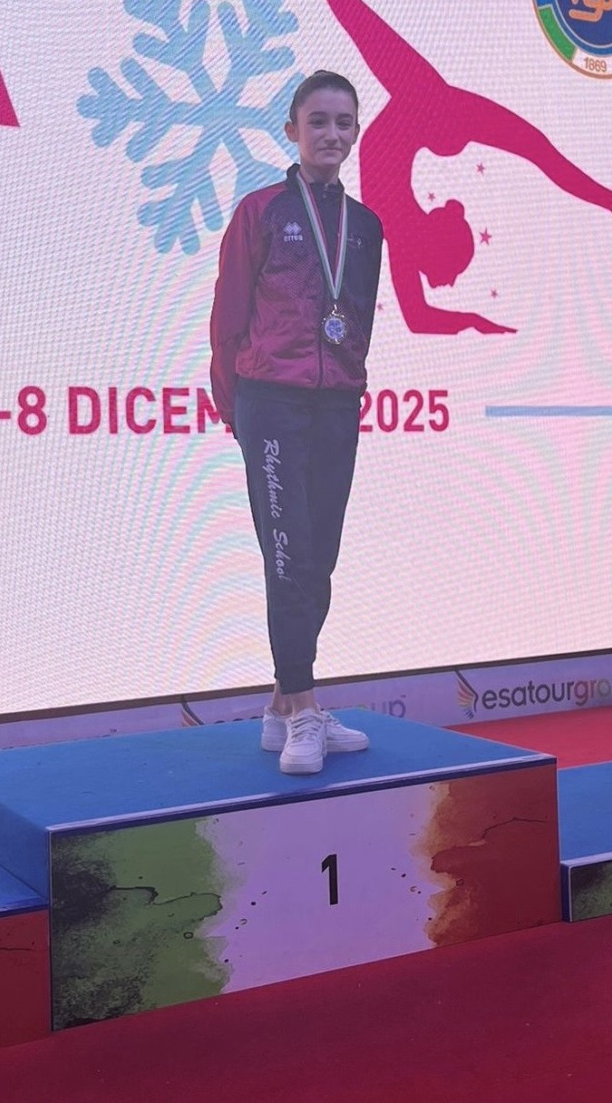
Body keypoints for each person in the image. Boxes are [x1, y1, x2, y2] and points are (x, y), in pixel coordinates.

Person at [208, 0, 612, 335]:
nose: (446, 282)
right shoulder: (406, 213)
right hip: (428, 108)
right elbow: (542, 156)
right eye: (448, 272)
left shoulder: (395, 230)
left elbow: (417, 319)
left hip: (423, 109)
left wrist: (473, 321)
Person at [210, 70, 383, 774]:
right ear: (292, 130)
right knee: (288, 558)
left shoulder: (366, 227)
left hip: (336, 405)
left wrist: (351, 387)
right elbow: (228, 319)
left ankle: (283, 708)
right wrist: (238, 409)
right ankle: (306, 711)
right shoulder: (260, 211)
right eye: (319, 121)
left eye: (344, 122)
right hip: (271, 402)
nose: (332, 134)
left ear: (356, 132)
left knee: (321, 560)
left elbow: (358, 320)